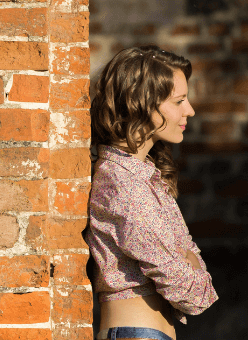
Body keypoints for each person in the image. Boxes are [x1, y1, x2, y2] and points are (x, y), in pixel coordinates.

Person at [85, 45, 218, 340]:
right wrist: (190, 263)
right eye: (179, 101)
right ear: (142, 104)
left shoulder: (141, 175)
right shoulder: (124, 183)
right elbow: (190, 293)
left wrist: (189, 260)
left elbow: (190, 254)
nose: (190, 110)